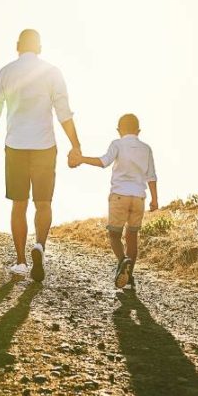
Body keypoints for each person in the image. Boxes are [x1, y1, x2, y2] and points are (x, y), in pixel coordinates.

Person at [0, 29, 81, 282]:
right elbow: (63, 112)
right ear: (40, 47)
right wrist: (75, 145)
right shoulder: (52, 72)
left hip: (16, 146)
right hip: (45, 146)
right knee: (43, 203)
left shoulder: (4, 73)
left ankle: (21, 262)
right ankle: (40, 246)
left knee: (19, 205)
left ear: (17, 46)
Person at [69, 113, 158, 291]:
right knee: (132, 238)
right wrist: (155, 200)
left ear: (119, 130)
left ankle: (122, 260)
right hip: (139, 197)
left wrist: (81, 159)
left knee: (114, 236)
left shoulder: (117, 144)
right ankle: (129, 277)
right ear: (138, 130)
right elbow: (151, 176)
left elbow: (104, 162)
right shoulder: (146, 149)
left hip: (119, 196)